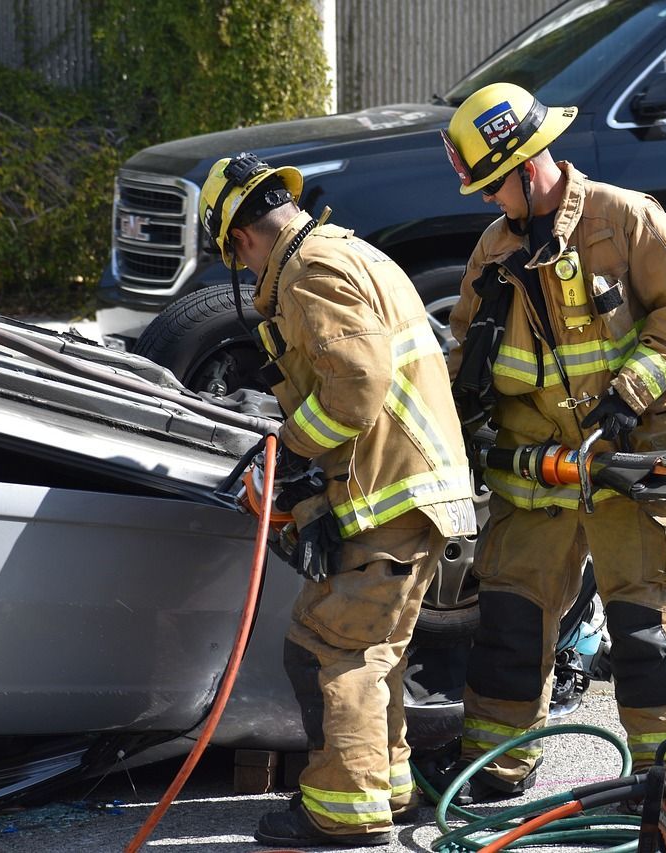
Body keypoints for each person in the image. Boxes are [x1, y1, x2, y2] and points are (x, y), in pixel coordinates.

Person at [434, 83, 666, 803]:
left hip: (634, 460)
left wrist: (628, 396)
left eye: (493, 185)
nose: (488, 202)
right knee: (507, 625)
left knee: (643, 629)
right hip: (537, 475)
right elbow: (469, 349)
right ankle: (494, 771)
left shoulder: (624, 220)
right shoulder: (495, 251)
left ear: (528, 168)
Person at [197, 153, 477, 847]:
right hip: (399, 493)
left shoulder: (310, 272)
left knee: (332, 648)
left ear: (239, 240)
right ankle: (391, 781)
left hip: (394, 496)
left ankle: (342, 811)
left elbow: (354, 386)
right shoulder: (342, 251)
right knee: (372, 648)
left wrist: (290, 450)